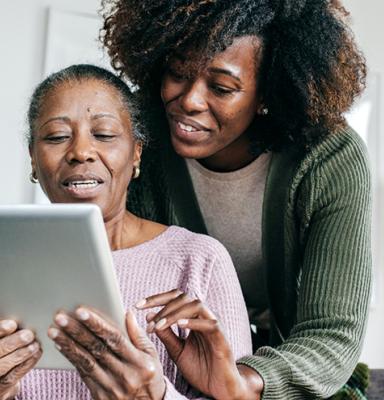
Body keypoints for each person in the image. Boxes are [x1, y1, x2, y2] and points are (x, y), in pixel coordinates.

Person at [101, 0, 372, 398]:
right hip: (172, 371)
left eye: (221, 87)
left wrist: (240, 383)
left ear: (267, 94)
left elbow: (332, 333)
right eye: (177, 74)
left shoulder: (329, 157)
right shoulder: (143, 138)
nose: (190, 100)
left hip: (286, 375)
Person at [0, 64, 252, 400]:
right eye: (57, 137)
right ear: (33, 157)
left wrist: (157, 396)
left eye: (104, 134)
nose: (81, 152)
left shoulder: (199, 260)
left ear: (136, 153)